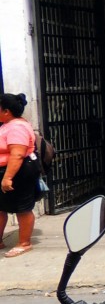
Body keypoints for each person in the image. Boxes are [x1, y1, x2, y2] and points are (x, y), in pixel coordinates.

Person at [0, 93, 41, 258]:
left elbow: (17, 154)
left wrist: (8, 177)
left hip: (19, 172)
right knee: (1, 207)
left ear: (6, 111)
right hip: (8, 170)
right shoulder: (8, 124)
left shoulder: (17, 127)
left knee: (22, 208)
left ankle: (24, 242)